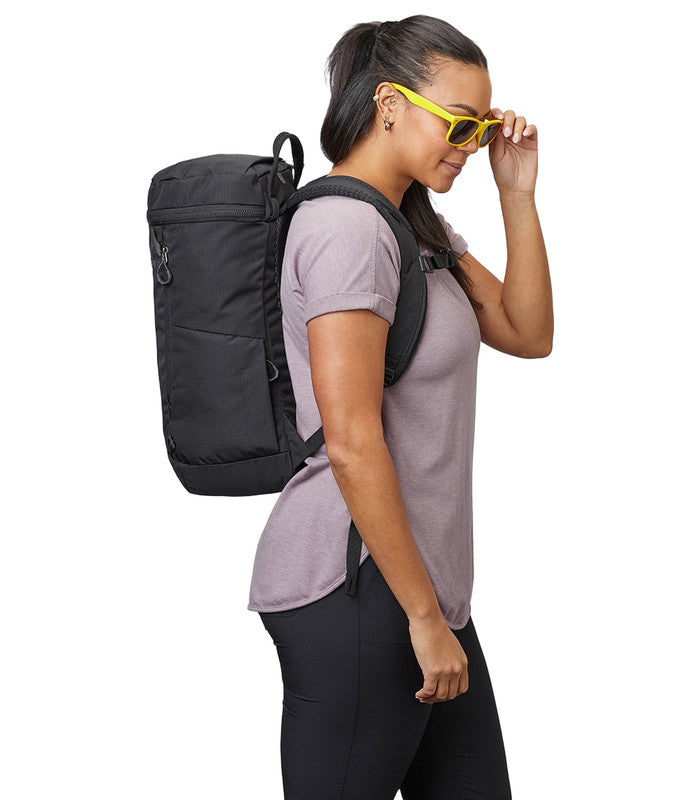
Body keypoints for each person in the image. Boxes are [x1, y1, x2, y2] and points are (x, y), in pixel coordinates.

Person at [248, 14, 552, 799]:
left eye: (481, 128)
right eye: (459, 123)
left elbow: (527, 332)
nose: (471, 144)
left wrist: (516, 193)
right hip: (358, 587)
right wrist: (421, 617)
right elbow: (351, 439)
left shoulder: (415, 224)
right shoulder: (347, 229)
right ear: (389, 103)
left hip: (420, 589)